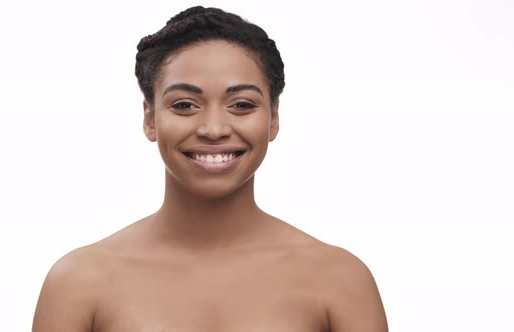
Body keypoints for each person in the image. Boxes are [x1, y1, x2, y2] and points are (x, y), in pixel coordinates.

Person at [32, 6, 388, 332]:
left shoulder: (340, 281)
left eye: (242, 104)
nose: (213, 128)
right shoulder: (79, 283)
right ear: (149, 118)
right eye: (185, 105)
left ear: (274, 119)